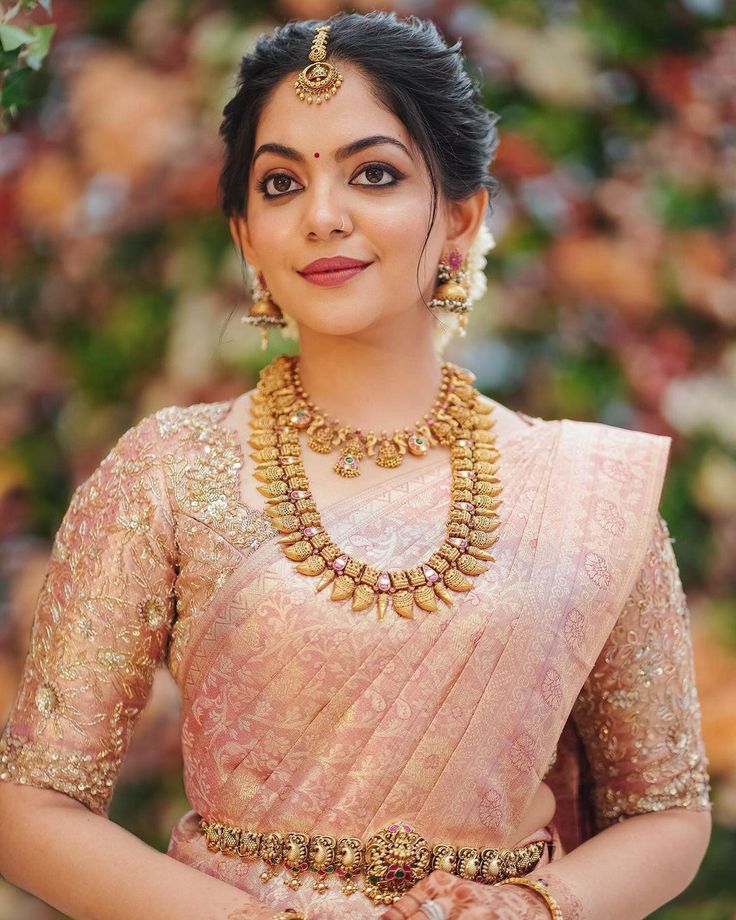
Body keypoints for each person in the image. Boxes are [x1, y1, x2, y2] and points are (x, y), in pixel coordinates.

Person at [0, 11, 713, 920]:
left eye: (373, 173)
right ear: (245, 235)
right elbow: (33, 807)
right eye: (280, 183)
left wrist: (535, 908)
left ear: (460, 214)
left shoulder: (588, 492)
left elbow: (666, 811)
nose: (323, 216)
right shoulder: (168, 473)